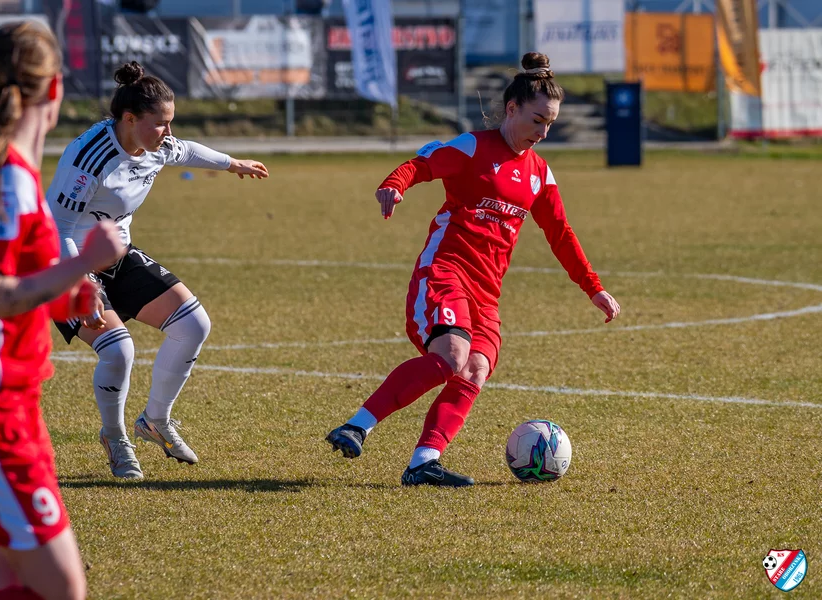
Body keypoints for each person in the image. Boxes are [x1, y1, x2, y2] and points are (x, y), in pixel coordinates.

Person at [326, 52, 621, 487]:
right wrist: (393, 185)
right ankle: (357, 426)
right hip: (445, 271)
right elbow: (421, 164)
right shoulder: (473, 147)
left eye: (551, 124)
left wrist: (593, 288)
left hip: (486, 292)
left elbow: (561, 233)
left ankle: (423, 463)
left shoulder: (539, 173)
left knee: (476, 367)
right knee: (453, 356)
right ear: (512, 109)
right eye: (538, 120)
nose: (543, 133)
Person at [0, 22, 127, 600]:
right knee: (62, 589)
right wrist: (82, 261)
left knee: (18, 582)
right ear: (56, 88)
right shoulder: (9, 179)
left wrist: (64, 293)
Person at [45, 61, 269, 480]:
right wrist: (81, 284)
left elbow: (188, 150)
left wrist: (232, 163)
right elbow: (56, 227)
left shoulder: (157, 146)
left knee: (193, 325)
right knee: (118, 351)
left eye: (171, 122)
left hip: (117, 256)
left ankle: (155, 421)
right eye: (160, 123)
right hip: (64, 260)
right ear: (129, 119)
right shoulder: (89, 157)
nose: (168, 132)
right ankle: (115, 437)